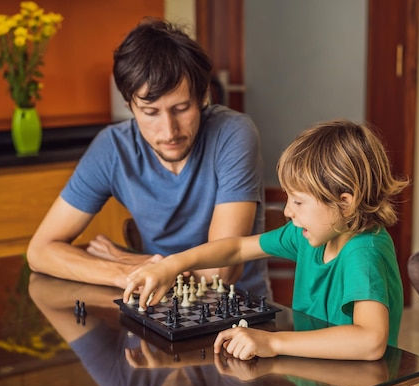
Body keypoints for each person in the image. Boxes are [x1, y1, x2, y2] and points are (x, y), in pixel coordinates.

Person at [123, 119, 409, 361]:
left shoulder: (364, 252)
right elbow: (236, 248)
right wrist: (172, 264)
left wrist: (273, 343)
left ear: (345, 203)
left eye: (298, 202)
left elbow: (370, 342)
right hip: (322, 377)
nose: (287, 212)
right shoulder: (308, 235)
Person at [26, 18, 270, 298]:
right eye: (150, 112)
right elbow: (39, 252)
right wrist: (124, 270)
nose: (169, 130)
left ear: (203, 96)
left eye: (181, 108)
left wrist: (124, 258)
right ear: (129, 104)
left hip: (242, 317)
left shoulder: (232, 132)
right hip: (157, 306)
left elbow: (220, 273)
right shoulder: (112, 147)